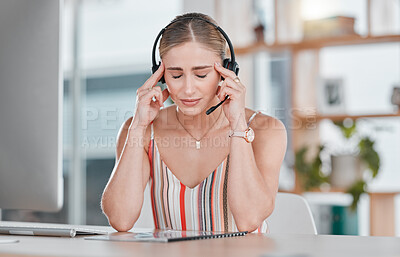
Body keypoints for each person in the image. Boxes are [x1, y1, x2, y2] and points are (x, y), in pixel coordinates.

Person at [101, 12, 287, 233]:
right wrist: (138, 127)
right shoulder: (141, 130)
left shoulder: (266, 131)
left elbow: (248, 219)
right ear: (160, 75)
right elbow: (120, 219)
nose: (188, 89)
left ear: (227, 71)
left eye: (201, 75)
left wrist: (238, 125)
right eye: (176, 75)